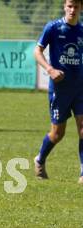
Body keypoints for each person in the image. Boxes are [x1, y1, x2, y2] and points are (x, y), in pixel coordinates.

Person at [33, 0, 83, 184]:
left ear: (81, 8)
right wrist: (50, 69)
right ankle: (39, 159)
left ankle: (82, 173)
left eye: (76, 7)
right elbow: (37, 51)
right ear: (64, 6)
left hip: (80, 88)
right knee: (57, 133)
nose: (72, 10)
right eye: (69, 6)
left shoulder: (82, 30)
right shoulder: (53, 28)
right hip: (60, 90)